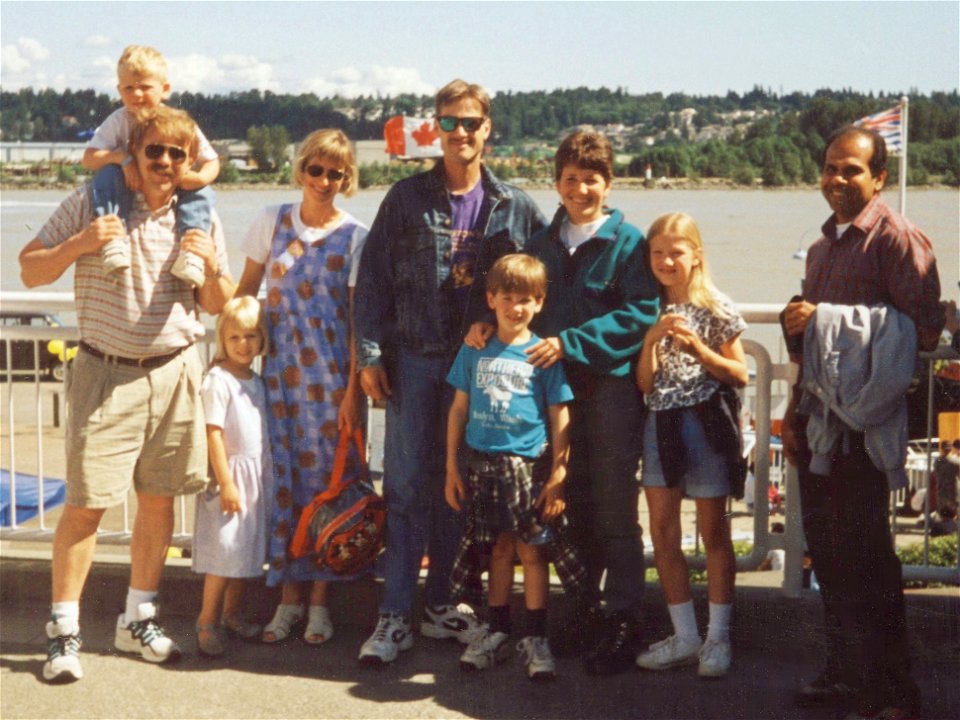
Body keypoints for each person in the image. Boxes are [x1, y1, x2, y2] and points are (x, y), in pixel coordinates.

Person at [19, 105, 234, 683]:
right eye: (154, 151)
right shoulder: (95, 203)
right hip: (105, 371)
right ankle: (64, 631)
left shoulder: (199, 217)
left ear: (189, 163)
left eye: (176, 154)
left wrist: (212, 269)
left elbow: (219, 304)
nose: (164, 162)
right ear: (134, 155)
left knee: (160, 500)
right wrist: (81, 244)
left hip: (174, 373)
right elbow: (29, 271)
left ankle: (136, 617)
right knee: (86, 506)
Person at [353, 79, 547, 666]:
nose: (460, 133)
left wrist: (545, 346)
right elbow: (372, 284)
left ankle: (440, 605)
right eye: (449, 123)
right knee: (408, 484)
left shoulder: (516, 206)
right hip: (413, 359)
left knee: (456, 488)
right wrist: (368, 356)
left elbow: (544, 283)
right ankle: (393, 615)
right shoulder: (406, 198)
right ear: (435, 129)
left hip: (482, 372)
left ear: (488, 128)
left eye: (471, 123)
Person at [468, 130, 660, 675]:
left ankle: (624, 617)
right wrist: (488, 324)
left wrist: (571, 342)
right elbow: (518, 297)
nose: (580, 190)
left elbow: (641, 313)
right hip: (548, 398)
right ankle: (582, 610)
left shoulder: (628, 244)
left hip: (609, 394)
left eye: (591, 180)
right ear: (556, 183)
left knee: (614, 508)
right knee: (563, 506)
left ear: (609, 183)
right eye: (570, 179)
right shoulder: (542, 244)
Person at [782, 126, 942, 719]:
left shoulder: (899, 241)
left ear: (878, 178)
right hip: (823, 426)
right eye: (829, 168)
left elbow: (924, 332)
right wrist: (795, 415)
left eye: (851, 170)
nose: (837, 180)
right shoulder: (824, 248)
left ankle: (894, 692)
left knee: (870, 558)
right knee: (829, 556)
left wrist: (827, 319)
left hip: (868, 430)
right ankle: (848, 672)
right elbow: (809, 347)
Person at [235, 129, 367, 647]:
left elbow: (359, 323)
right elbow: (243, 298)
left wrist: (355, 391)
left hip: (333, 384)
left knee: (329, 491)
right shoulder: (272, 220)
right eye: (316, 170)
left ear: (347, 178)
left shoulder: (356, 236)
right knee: (285, 485)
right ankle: (287, 600)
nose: (325, 181)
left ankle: (320, 604)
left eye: (336, 173)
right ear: (301, 170)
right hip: (279, 381)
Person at [445, 254, 582, 681]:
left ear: (539, 303)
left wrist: (558, 475)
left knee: (532, 549)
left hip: (528, 465)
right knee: (498, 549)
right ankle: (498, 629)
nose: (515, 307)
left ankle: (536, 637)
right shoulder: (475, 349)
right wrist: (451, 466)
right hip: (482, 464)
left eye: (526, 300)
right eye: (507, 298)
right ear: (491, 299)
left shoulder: (543, 355)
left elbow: (560, 414)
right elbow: (458, 409)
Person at [633, 212, 748, 679]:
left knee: (713, 531)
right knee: (661, 529)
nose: (666, 261)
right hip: (661, 423)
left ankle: (718, 638)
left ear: (696, 256)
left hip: (706, 425)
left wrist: (700, 348)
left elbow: (739, 372)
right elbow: (645, 384)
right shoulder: (648, 307)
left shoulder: (716, 306)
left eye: (676, 252)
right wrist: (650, 343)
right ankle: (684, 635)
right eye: (657, 253)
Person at [81, 45, 220, 287]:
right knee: (106, 174)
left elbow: (212, 161)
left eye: (145, 87)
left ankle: (191, 252)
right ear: (119, 90)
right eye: (128, 88)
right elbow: (89, 158)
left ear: (165, 89)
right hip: (127, 185)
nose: (136, 94)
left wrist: (198, 179)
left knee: (203, 192)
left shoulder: (178, 122)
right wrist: (122, 159)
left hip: (172, 185)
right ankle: (114, 238)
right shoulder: (118, 120)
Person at [192, 296, 272, 657]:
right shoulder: (218, 380)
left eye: (252, 336)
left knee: (245, 553)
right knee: (225, 554)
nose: (244, 345)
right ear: (223, 339)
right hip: (231, 476)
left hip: (256, 477)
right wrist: (225, 481)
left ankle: (232, 614)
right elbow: (213, 433)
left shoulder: (256, 380)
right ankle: (206, 620)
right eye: (235, 337)